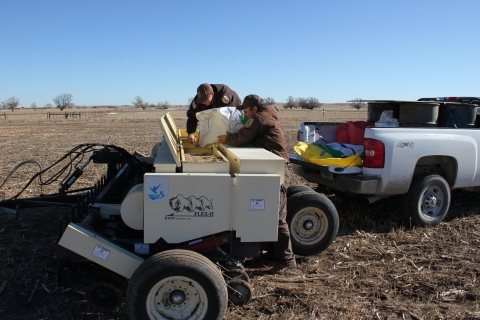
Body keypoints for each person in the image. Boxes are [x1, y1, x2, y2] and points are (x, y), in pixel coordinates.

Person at [217, 94, 296, 272]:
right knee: (267, 214)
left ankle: (287, 260)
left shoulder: (259, 118)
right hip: (269, 167)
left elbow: (240, 138)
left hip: (277, 170)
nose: (245, 115)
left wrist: (225, 139)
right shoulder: (266, 115)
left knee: (276, 216)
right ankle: (274, 253)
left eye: (246, 111)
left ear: (254, 108)